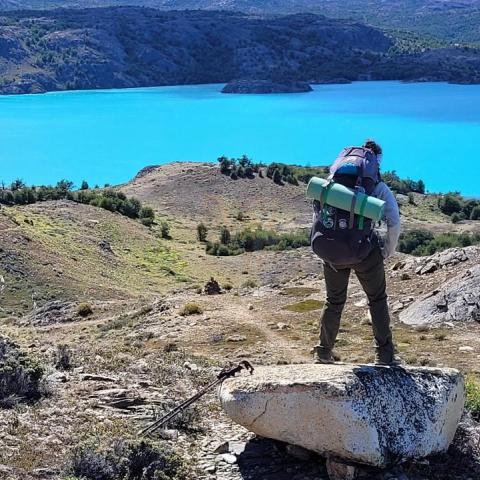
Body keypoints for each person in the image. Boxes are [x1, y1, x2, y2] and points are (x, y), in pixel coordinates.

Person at [311, 140, 401, 365]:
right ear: (376, 161)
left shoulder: (333, 183)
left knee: (334, 300)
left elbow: (318, 215)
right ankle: (385, 355)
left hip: (331, 249)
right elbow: (394, 221)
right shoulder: (377, 186)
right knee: (377, 299)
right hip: (365, 251)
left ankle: (323, 352)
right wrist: (386, 251)